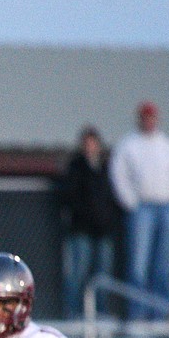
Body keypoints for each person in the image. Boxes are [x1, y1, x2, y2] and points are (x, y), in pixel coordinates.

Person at [109, 100, 169, 320]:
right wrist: (131, 203)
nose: (149, 121)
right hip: (141, 210)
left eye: (152, 117)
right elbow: (118, 176)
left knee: (164, 267)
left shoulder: (168, 146)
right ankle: (137, 316)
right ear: (139, 119)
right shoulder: (128, 145)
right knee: (138, 266)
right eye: (145, 117)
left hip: (166, 208)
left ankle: (160, 317)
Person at [58, 126, 118, 319]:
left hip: (103, 231)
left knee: (102, 276)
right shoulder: (76, 167)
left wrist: (107, 218)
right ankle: (74, 314)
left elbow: (112, 196)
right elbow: (69, 196)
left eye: (93, 143)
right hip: (81, 230)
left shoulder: (106, 168)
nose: (90, 147)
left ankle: (101, 314)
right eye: (87, 143)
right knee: (77, 274)